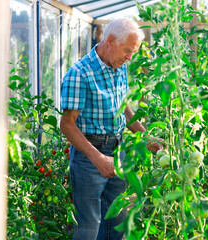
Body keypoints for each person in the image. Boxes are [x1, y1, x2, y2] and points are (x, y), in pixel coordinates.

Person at [60, 18, 161, 240]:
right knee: (88, 225)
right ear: (111, 40)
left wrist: (146, 137)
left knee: (116, 221)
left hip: (118, 151)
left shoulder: (119, 66)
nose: (129, 57)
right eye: (127, 50)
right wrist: (98, 158)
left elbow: (122, 107)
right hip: (89, 157)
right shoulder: (80, 73)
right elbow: (66, 124)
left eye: (132, 52)